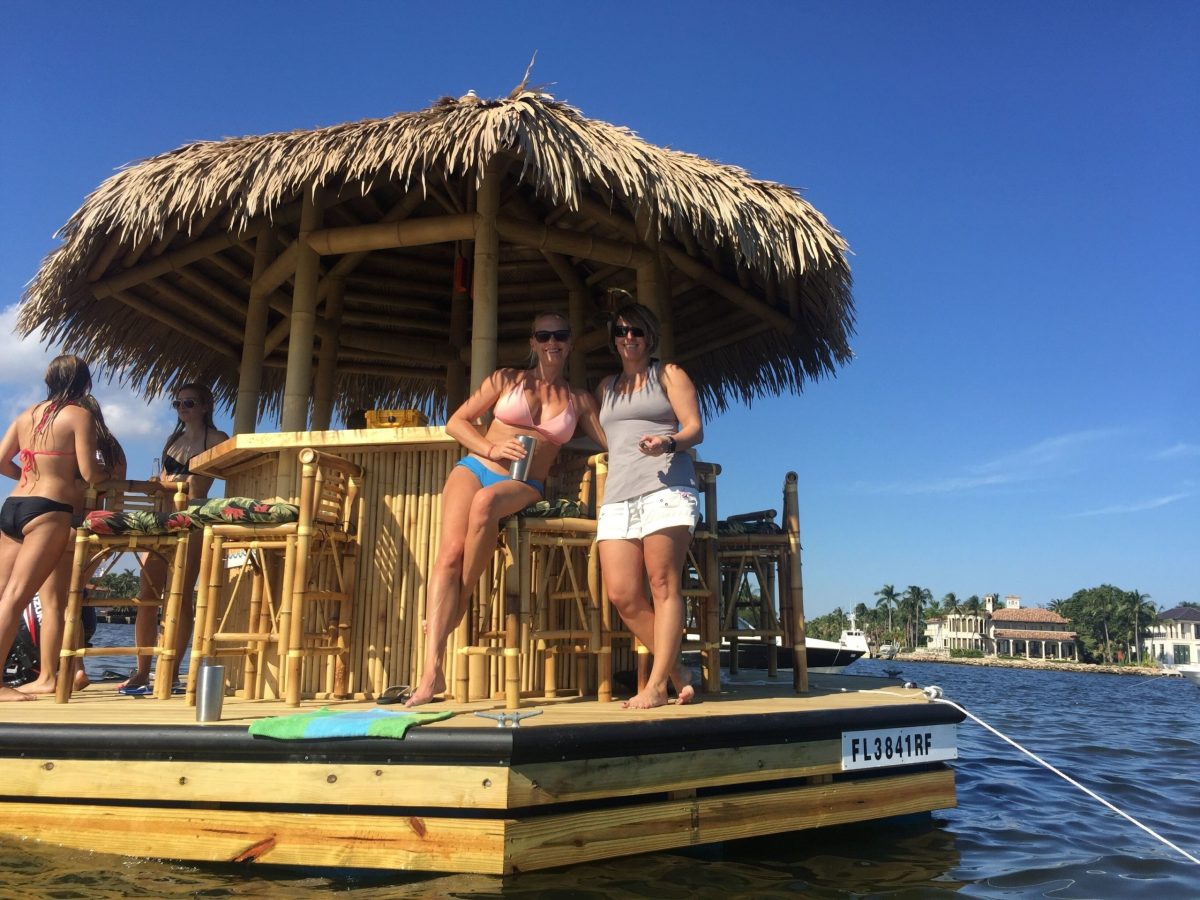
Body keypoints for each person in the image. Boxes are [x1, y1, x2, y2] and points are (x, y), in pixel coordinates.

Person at [405, 312, 604, 707]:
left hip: (523, 484)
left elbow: (609, 440)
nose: (552, 342)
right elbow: (456, 423)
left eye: (560, 335)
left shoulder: (579, 400)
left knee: (486, 504)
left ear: (570, 343)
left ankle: (458, 603)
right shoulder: (505, 379)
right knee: (447, 556)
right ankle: (431, 672)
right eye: (544, 335)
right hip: (476, 466)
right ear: (532, 342)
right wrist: (491, 448)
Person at [596, 303, 704, 709]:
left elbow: (695, 427)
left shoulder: (668, 374)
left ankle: (658, 685)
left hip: (667, 487)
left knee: (662, 584)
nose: (629, 338)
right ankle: (679, 672)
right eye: (622, 331)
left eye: (637, 331)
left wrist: (668, 441)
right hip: (619, 495)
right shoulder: (606, 386)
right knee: (622, 594)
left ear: (650, 336)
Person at [0, 355, 110, 701]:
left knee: (4, 594)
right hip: (49, 510)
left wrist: (29, 479)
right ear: (85, 384)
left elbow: (2, 462)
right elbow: (91, 474)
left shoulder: (25, 415)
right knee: (17, 597)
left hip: (13, 506)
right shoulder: (80, 416)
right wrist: (105, 479)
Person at [117, 383, 227, 694]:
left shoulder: (217, 440)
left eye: (189, 403)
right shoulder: (173, 440)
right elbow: (167, 480)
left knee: (179, 594)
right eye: (177, 403)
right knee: (147, 592)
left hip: (192, 518)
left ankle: (173, 671)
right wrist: (160, 482)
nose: (182, 409)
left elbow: (212, 480)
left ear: (205, 406)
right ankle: (142, 670)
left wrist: (182, 482)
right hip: (164, 519)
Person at [19, 393, 129, 695]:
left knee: (54, 604)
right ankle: (77, 669)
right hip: (98, 535)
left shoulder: (71, 444)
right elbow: (116, 501)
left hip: (64, 527)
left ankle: (50, 675)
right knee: (74, 602)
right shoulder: (114, 451)